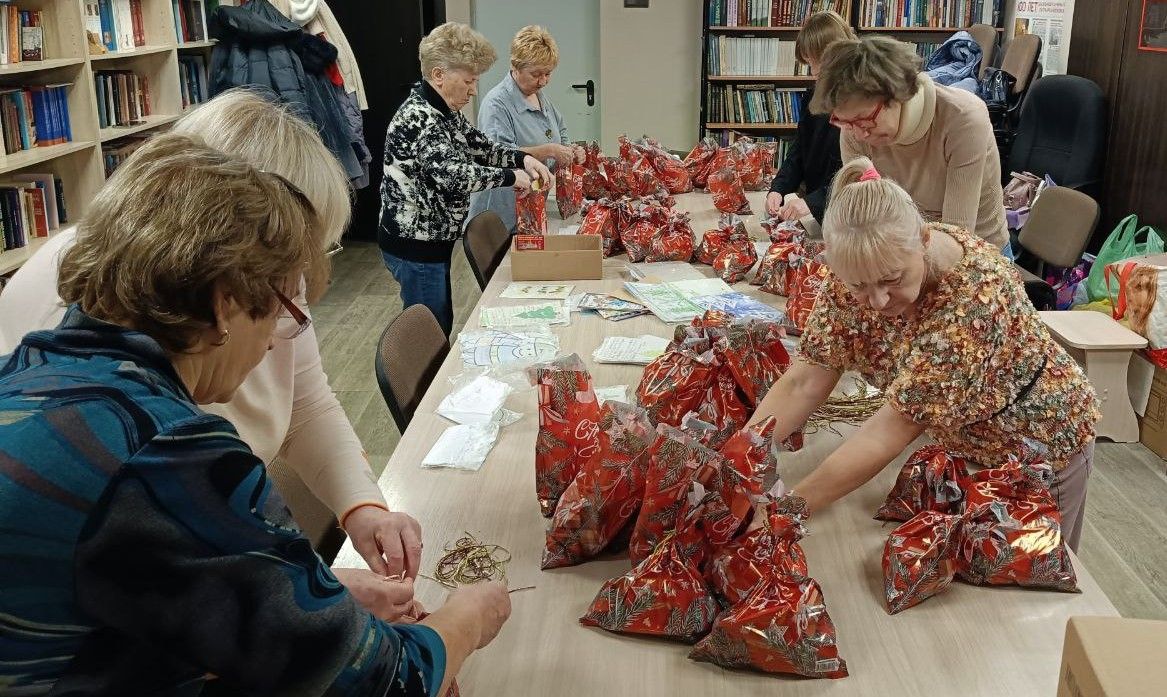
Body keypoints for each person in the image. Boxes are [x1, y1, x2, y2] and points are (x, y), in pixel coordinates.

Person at [0, 133, 510, 695]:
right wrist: (469, 617)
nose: (273, 345)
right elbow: (389, 682)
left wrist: (311, 591)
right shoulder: (167, 454)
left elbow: (138, 588)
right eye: (279, 311)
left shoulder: (32, 369)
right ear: (225, 303)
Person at [0, 89, 424, 617]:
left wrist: (363, 508)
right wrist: (298, 595)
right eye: (279, 270)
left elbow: (307, 406)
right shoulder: (98, 350)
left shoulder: (258, 287)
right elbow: (160, 566)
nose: (288, 302)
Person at [749, 158, 1099, 551]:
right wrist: (739, 460)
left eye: (892, 280)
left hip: (1038, 448)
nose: (877, 300)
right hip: (960, 442)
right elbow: (804, 381)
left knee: (1030, 581)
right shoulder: (861, 264)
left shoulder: (971, 303)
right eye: (859, 286)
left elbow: (887, 433)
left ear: (925, 240)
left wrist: (786, 507)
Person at [380, 21, 552, 335]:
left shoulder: (445, 110)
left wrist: (522, 157)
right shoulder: (420, 118)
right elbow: (455, 177)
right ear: (438, 76)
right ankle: (430, 385)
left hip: (433, 242)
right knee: (432, 329)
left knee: (439, 319)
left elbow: (480, 145)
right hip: (415, 245)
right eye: (469, 81)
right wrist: (511, 177)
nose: (474, 90)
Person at [812, 36, 1012, 258]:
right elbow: (862, 213)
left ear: (897, 95)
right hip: (904, 248)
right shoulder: (854, 127)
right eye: (845, 122)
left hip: (978, 252)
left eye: (863, 120)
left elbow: (957, 237)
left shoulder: (964, 119)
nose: (858, 134)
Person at [467, 25, 585, 232]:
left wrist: (569, 151)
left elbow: (560, 133)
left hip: (531, 206)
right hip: (501, 216)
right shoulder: (497, 105)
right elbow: (499, 154)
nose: (543, 81)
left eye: (548, 74)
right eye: (536, 74)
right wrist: (549, 150)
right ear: (515, 66)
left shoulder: (539, 97)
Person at [764, 10, 854, 237]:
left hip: (850, 221)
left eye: (819, 63)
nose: (814, 72)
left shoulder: (861, 105)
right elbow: (799, 151)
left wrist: (812, 202)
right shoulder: (814, 95)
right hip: (822, 220)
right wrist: (778, 189)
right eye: (810, 63)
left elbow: (861, 175)